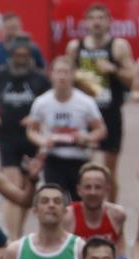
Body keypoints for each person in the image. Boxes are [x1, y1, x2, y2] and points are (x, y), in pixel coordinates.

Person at [67, 3, 136, 192]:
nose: (97, 22)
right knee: (83, 169)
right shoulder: (75, 47)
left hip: (110, 113)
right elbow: (65, 77)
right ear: (86, 23)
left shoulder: (118, 46)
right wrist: (75, 78)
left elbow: (133, 80)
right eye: (92, 18)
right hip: (83, 115)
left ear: (109, 22)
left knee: (108, 171)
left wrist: (113, 69)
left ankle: (111, 212)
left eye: (101, 18)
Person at [0, 36, 52, 234]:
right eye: (18, 55)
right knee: (13, 186)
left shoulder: (40, 78)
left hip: (30, 138)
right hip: (7, 137)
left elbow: (49, 104)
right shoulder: (0, 75)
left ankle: (17, 231)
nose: (22, 58)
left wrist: (36, 119)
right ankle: (14, 238)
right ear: (11, 55)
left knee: (26, 189)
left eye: (25, 55)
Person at [26, 57, 107, 193]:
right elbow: (31, 130)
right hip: (54, 159)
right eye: (58, 72)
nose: (62, 76)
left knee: (79, 203)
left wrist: (86, 138)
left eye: (66, 72)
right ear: (51, 75)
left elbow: (101, 130)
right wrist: (43, 141)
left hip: (79, 159)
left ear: (73, 75)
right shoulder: (41, 102)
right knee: (56, 198)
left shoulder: (85, 102)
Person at [65, 163, 127, 253]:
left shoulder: (117, 215)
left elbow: (120, 239)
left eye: (98, 187)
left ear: (107, 190)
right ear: (79, 190)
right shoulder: (67, 216)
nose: (92, 192)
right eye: (88, 187)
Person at [0, 13, 46, 84]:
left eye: (15, 28)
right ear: (1, 29)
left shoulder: (32, 49)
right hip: (2, 91)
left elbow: (45, 72)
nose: (12, 32)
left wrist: (32, 70)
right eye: (9, 28)